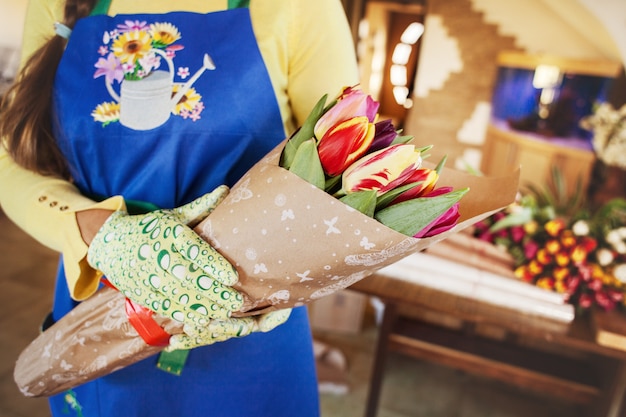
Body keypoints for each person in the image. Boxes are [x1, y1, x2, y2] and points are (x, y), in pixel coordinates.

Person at [0, 0, 359, 415]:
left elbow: (341, 167)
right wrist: (102, 233)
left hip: (238, 323)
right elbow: (12, 159)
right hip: (101, 319)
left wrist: (278, 274)